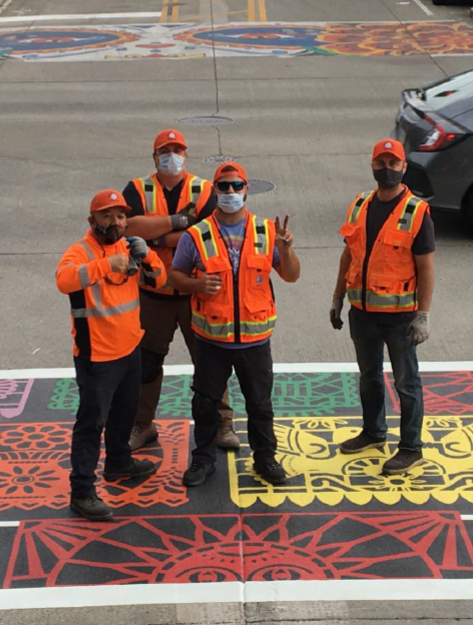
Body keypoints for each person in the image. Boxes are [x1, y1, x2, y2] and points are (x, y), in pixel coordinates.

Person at [168, 162, 301, 487]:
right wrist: (197, 285)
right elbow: (175, 275)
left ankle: (265, 458)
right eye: (224, 186)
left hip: (255, 341)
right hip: (212, 340)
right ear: (215, 191)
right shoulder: (196, 235)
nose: (230, 192)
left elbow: (291, 275)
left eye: (236, 186)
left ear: (246, 189)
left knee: (260, 403)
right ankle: (203, 460)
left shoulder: (267, 231)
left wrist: (286, 250)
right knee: (205, 403)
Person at [55, 189, 168, 521]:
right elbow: (63, 280)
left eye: (120, 216)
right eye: (107, 216)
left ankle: (118, 463)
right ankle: (82, 492)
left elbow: (159, 281)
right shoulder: (80, 252)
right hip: (97, 357)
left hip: (130, 348)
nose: (115, 222)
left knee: (124, 413)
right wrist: (105, 265)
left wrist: (148, 256)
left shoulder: (128, 247)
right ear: (93, 220)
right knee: (91, 424)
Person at [123, 129, 237, 452]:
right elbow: (129, 228)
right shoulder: (137, 189)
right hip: (152, 293)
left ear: (186, 155)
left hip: (196, 292)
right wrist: (177, 221)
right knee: (146, 363)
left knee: (209, 363)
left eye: (177, 150)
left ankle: (222, 422)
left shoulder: (203, 190)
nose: (171, 156)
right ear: (154, 156)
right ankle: (143, 424)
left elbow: (206, 233)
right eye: (164, 151)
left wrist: (155, 236)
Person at [329, 139, 436, 476]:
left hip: (400, 317)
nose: (386, 169)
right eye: (381, 163)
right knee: (369, 377)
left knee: (407, 384)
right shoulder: (360, 204)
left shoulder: (416, 211)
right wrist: (337, 297)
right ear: (372, 165)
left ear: (404, 167)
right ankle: (374, 433)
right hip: (362, 312)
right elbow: (349, 253)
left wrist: (423, 315)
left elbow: (426, 267)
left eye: (393, 163)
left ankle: (410, 448)